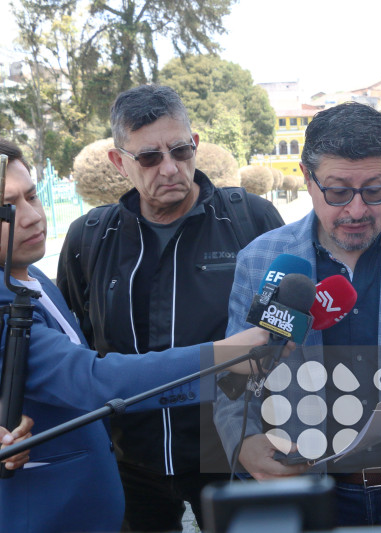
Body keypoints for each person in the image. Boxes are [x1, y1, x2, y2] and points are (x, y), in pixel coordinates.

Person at [214, 102, 381, 526]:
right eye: (338, 191)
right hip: (312, 495)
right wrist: (243, 441)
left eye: (375, 190)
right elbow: (232, 378)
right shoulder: (261, 259)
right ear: (307, 178)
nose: (357, 211)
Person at [0, 137, 270, 533]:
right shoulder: (19, 289)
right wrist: (222, 356)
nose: (31, 217)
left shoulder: (32, 276)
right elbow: (90, 378)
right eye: (7, 209)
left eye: (32, 196)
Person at [57, 84, 284, 532]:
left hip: (233, 457)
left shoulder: (252, 221)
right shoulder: (90, 237)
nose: (169, 167)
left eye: (180, 151)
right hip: (130, 465)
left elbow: (287, 339)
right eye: (148, 157)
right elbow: (72, 346)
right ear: (119, 161)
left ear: (194, 144)